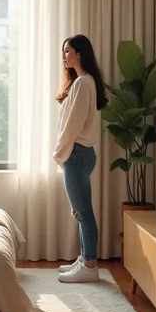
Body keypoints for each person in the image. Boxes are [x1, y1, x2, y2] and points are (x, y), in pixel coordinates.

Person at [53, 34, 108, 283]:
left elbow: (73, 124)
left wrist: (60, 152)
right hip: (81, 154)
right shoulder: (83, 82)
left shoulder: (83, 83)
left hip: (77, 153)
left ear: (80, 53)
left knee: (83, 212)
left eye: (67, 51)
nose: (64, 56)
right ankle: (85, 258)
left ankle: (90, 265)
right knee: (80, 211)